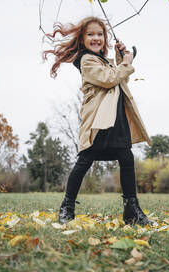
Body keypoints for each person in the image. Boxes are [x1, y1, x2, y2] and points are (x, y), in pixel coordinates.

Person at [43, 16, 152, 226]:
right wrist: (126, 65)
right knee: (84, 161)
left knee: (126, 159)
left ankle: (132, 209)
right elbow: (109, 79)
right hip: (98, 120)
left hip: (116, 119)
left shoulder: (105, 60)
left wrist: (121, 59)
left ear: (105, 38)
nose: (96, 38)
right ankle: (67, 206)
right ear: (82, 39)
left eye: (100, 34)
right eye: (90, 34)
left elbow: (119, 77)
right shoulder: (86, 60)